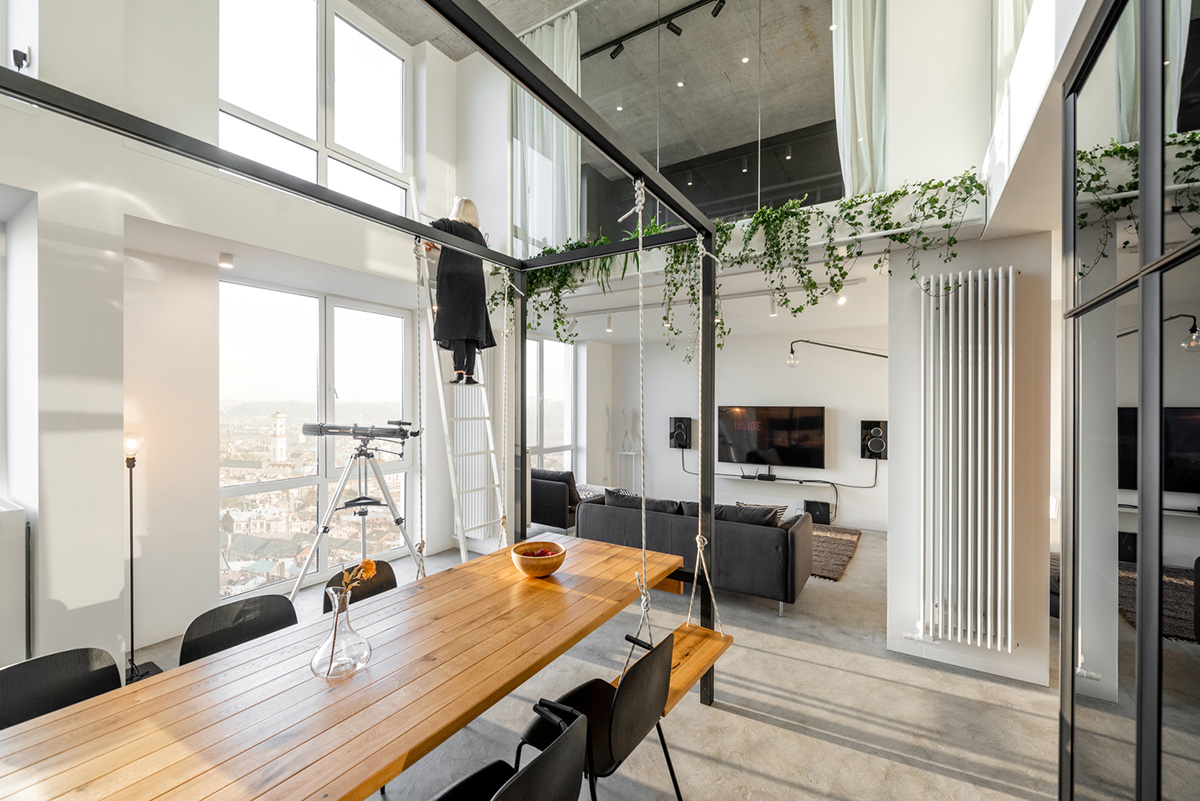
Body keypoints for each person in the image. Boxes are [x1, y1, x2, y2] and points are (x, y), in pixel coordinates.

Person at [428, 198, 496, 384]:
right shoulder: (478, 235)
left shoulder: (450, 225)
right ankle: (470, 375)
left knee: (456, 327)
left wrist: (434, 243)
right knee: (471, 330)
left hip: (454, 282)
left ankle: (458, 370)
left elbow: (434, 226)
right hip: (475, 286)